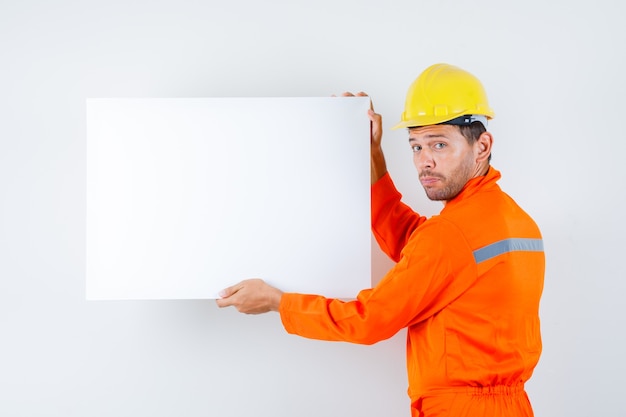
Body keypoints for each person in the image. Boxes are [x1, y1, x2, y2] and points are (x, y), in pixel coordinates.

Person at [216, 63, 545, 417]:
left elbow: (369, 319)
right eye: (416, 146)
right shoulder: (517, 222)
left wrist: (277, 302)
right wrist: (372, 155)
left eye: (439, 144)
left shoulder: (451, 234)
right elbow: (420, 246)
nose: (425, 162)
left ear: (482, 146)